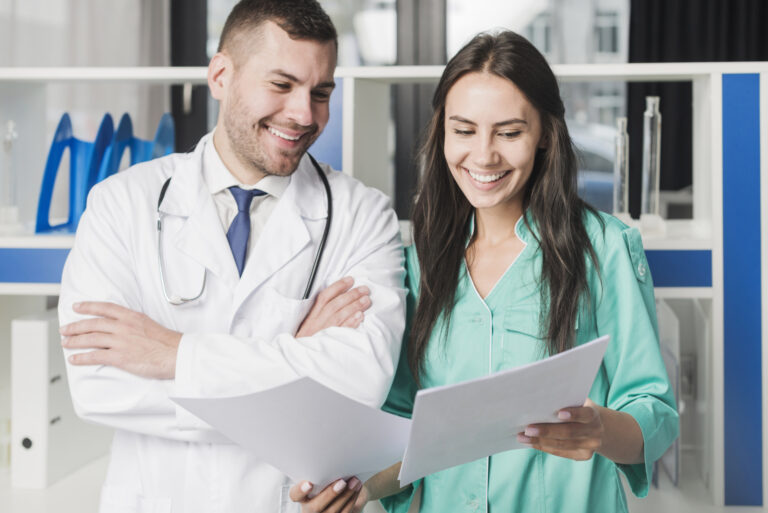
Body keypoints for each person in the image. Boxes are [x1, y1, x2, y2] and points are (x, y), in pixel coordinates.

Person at [289, 30, 679, 513]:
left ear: (544, 136)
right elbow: (404, 428)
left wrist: (600, 429)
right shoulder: (421, 262)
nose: (484, 155)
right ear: (442, 132)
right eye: (464, 130)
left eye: (510, 132)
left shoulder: (604, 249)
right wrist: (359, 488)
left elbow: (655, 413)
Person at [57, 1, 406, 512]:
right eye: (282, 85)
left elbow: (359, 384)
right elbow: (98, 386)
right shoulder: (119, 204)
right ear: (221, 75)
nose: (305, 115)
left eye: (321, 92)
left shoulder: (364, 215)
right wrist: (292, 359)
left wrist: (174, 354)